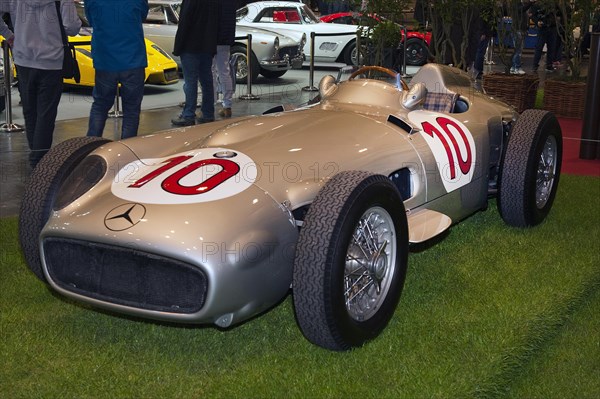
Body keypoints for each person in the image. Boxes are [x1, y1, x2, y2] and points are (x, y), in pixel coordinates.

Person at [0, 0, 81, 168]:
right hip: (51, 62)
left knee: (30, 111)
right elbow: (72, 28)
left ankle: (36, 154)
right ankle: (39, 158)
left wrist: (8, 35)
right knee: (46, 113)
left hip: (23, 60)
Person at [84, 0, 148, 140]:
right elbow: (142, 15)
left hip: (105, 59)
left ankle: (90, 146)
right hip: (133, 58)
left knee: (100, 106)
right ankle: (126, 150)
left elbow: (90, 19)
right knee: (131, 110)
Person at [171, 0, 220, 126]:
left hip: (190, 45)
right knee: (207, 80)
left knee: (190, 82)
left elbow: (185, 23)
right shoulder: (213, 3)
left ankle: (188, 114)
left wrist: (178, 47)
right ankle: (208, 113)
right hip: (207, 45)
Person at [213, 0, 236, 119]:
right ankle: (227, 105)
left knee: (211, 72)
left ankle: (211, 104)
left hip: (213, 38)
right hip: (227, 38)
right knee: (225, 72)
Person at [510, 0, 533, 75]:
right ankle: (517, 67)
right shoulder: (516, 4)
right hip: (517, 29)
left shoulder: (523, 4)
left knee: (518, 50)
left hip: (521, 29)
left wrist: (526, 28)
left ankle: (513, 67)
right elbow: (521, 10)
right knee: (518, 50)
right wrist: (530, 3)